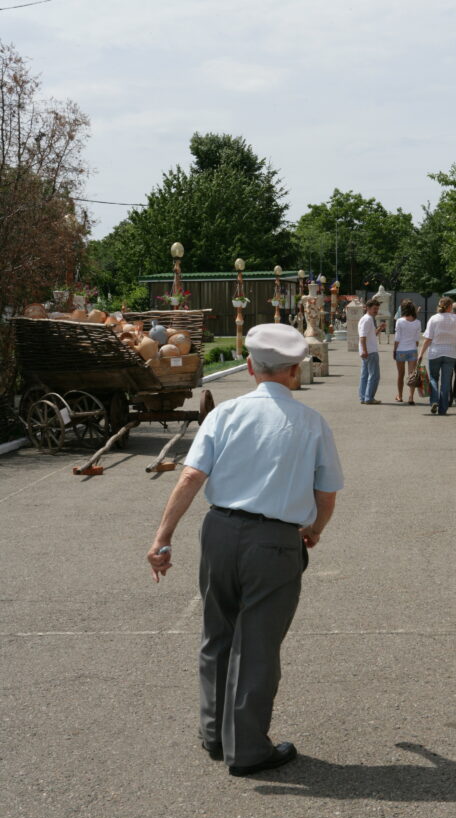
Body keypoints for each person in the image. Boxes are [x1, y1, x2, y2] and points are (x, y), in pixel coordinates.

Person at [147, 324, 344, 777]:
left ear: (252, 367)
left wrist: (162, 537)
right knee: (257, 644)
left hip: (219, 531)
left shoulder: (225, 414)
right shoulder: (311, 423)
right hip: (275, 542)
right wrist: (314, 529)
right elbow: (327, 493)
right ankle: (248, 748)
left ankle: (215, 734)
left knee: (217, 632)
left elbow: (191, 477)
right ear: (295, 371)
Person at [416, 296, 456, 415]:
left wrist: (421, 354)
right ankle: (443, 409)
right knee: (445, 381)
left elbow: (428, 339)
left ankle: (434, 400)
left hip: (435, 352)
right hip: (450, 353)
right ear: (450, 307)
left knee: (434, 378)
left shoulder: (434, 319)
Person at [358, 298, 386, 404]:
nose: (376, 311)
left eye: (377, 308)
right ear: (368, 308)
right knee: (374, 375)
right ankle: (369, 397)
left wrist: (379, 328)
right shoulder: (368, 319)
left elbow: (370, 335)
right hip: (370, 351)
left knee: (365, 375)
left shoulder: (367, 319)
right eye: (374, 308)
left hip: (367, 350)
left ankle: (363, 397)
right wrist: (365, 350)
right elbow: (362, 337)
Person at [393, 300, 421, 404]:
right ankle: (411, 397)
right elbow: (417, 339)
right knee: (412, 374)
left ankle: (400, 396)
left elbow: (397, 338)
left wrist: (394, 350)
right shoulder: (417, 322)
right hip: (412, 349)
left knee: (400, 374)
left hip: (401, 349)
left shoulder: (399, 321)